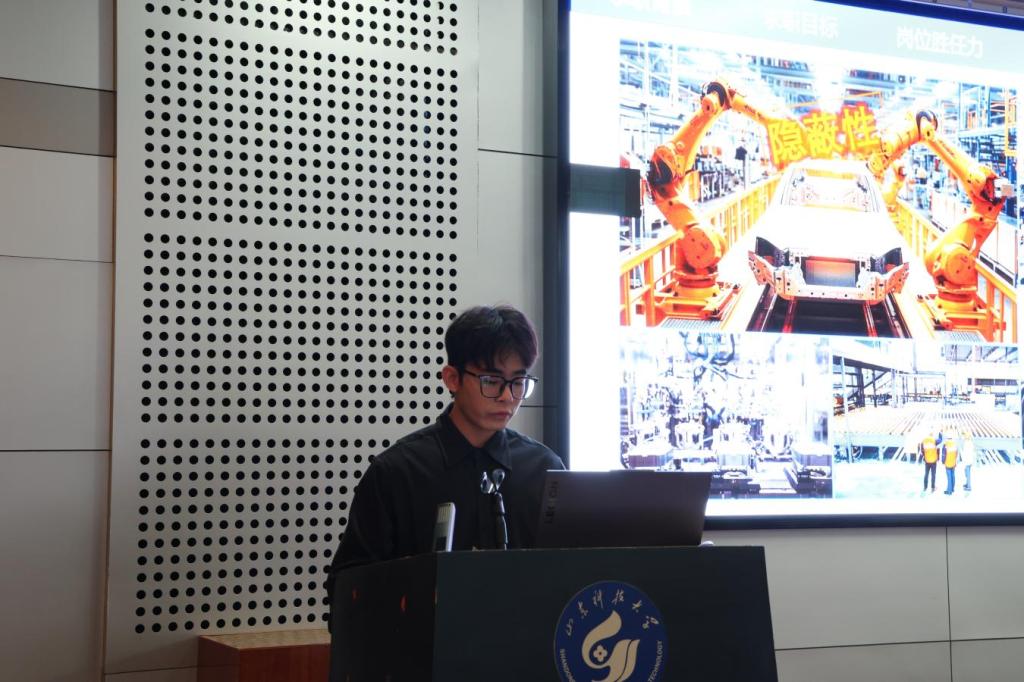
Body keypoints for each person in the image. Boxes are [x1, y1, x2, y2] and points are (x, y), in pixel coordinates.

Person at [327, 304, 564, 581]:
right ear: (452, 379)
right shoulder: (397, 472)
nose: (507, 396)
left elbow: (570, 572)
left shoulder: (544, 469)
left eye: (519, 381)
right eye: (491, 381)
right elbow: (347, 585)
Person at [919, 427, 939, 493]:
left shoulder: (923, 441)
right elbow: (941, 440)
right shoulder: (934, 440)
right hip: (933, 461)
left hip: (927, 460)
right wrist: (940, 432)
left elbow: (922, 451)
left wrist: (921, 459)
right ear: (932, 435)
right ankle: (933, 488)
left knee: (926, 474)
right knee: (933, 474)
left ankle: (925, 487)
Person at [942, 427, 959, 495]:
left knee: (949, 477)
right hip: (953, 462)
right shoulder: (955, 444)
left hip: (948, 463)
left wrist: (943, 462)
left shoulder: (945, 444)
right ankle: (952, 489)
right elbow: (956, 453)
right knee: (953, 475)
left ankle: (949, 491)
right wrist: (955, 461)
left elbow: (943, 455)